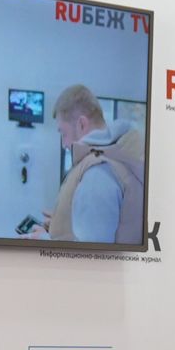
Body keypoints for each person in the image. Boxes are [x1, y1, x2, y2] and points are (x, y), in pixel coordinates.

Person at [31, 84, 144, 244]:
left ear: (82, 124)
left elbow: (91, 253)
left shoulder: (97, 173)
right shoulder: (118, 155)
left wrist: (43, 240)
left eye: (63, 133)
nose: (64, 144)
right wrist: (62, 223)